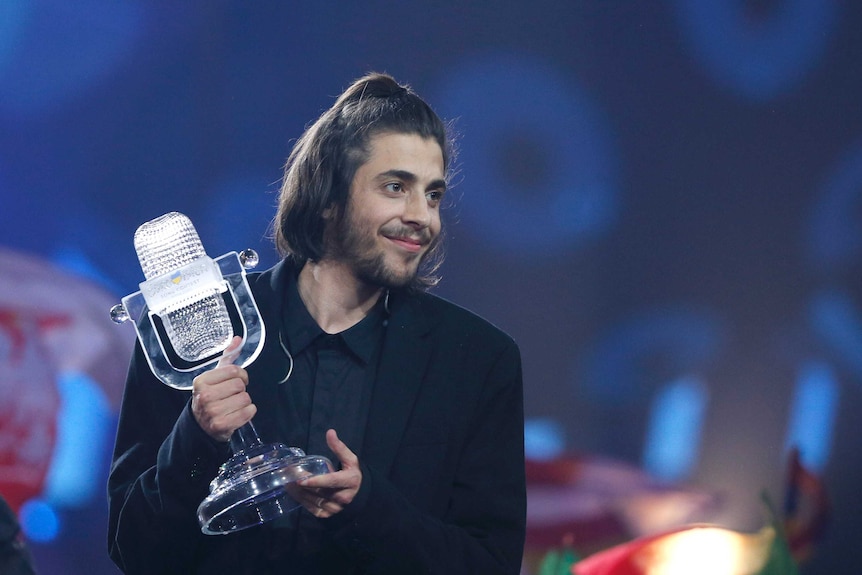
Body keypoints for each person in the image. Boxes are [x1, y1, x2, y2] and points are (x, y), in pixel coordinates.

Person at [108, 72, 526, 574]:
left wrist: (368, 509)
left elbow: (489, 565)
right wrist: (196, 438)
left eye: (433, 195)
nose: (423, 216)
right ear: (328, 196)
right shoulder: (197, 330)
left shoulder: (476, 360)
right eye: (396, 187)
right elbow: (132, 550)